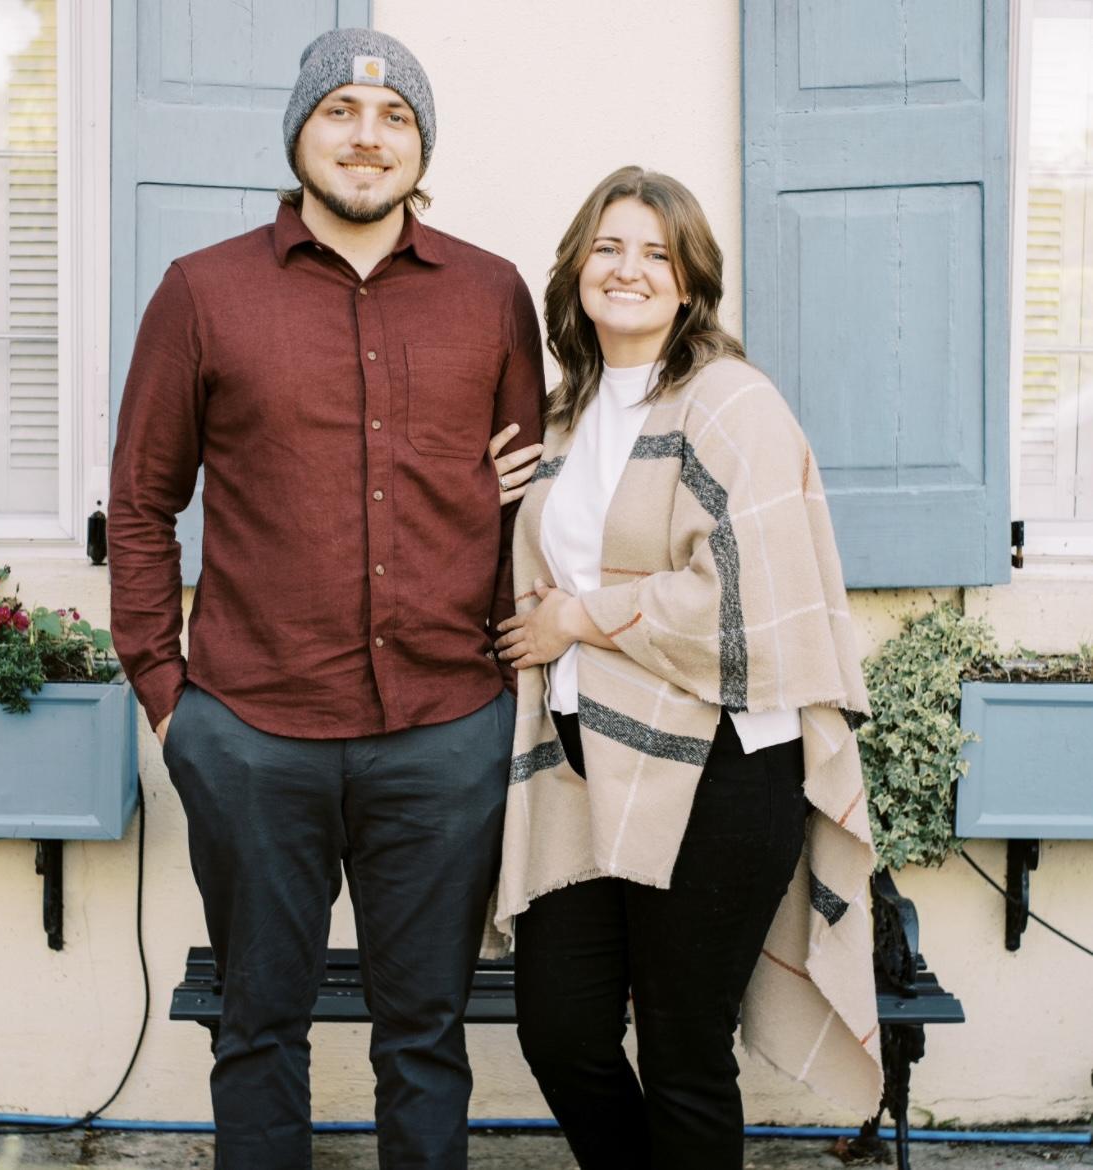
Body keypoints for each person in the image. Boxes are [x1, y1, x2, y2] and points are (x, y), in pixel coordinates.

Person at [108, 28, 545, 1170]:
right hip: (252, 734)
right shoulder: (202, 292)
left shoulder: (493, 295)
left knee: (427, 1038)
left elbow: (530, 507)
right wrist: (167, 694)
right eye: (341, 112)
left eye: (395, 117)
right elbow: (143, 502)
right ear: (299, 133)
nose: (367, 137)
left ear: (422, 146)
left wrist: (507, 694)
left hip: (445, 733)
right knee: (257, 1031)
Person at [493, 167, 883, 1169]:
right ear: (578, 269)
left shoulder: (730, 404)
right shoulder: (566, 417)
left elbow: (747, 603)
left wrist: (580, 618)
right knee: (561, 1030)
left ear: (690, 283)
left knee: (682, 1054)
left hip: (719, 768)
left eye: (656, 254)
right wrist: (481, 490)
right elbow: (530, 567)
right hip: (583, 761)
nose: (628, 270)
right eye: (608, 248)